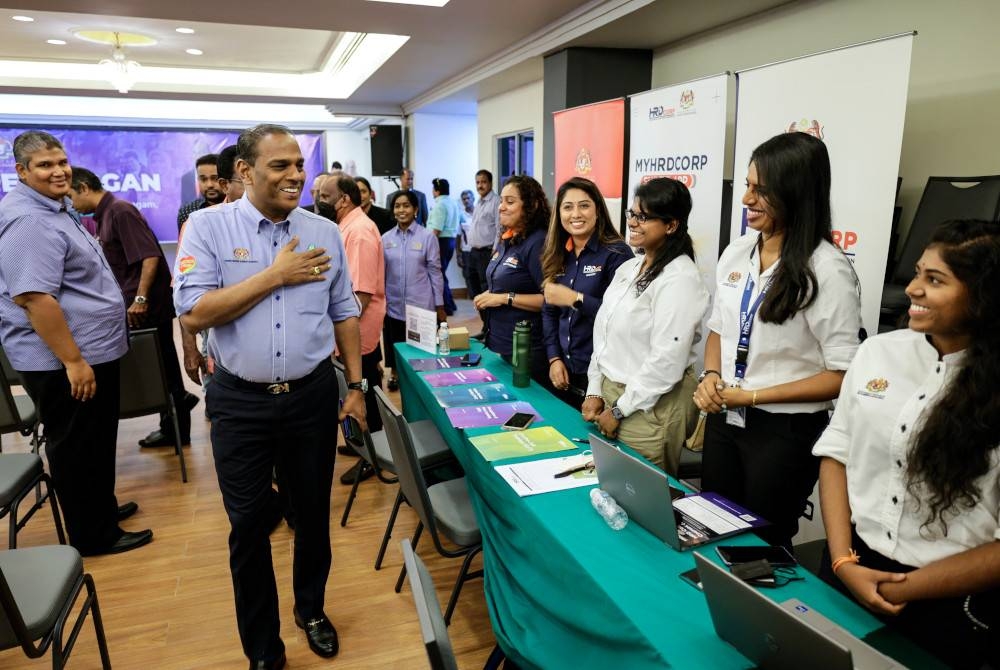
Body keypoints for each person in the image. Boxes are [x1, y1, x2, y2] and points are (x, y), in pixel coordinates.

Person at [173, 124, 366, 669]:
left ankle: (312, 611)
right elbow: (194, 312)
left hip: (310, 398)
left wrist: (355, 387)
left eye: (299, 165)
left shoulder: (322, 231)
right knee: (250, 525)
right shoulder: (208, 228)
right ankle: (263, 647)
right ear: (244, 170)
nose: (295, 176)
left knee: (312, 515)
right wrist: (274, 275)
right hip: (240, 403)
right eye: (280, 165)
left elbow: (344, 312)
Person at [813, 219, 1000, 669]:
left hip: (947, 604)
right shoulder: (879, 352)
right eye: (917, 273)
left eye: (935, 280)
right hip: (848, 565)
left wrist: (902, 589)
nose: (913, 289)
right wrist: (842, 562)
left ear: (984, 296)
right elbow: (836, 454)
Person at [694, 132, 863, 549]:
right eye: (749, 186)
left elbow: (842, 375)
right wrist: (712, 374)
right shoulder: (737, 252)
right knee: (712, 523)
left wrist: (752, 397)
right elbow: (719, 328)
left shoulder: (827, 270)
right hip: (725, 418)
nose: (747, 199)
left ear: (796, 192)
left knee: (762, 543)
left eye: (761, 191)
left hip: (783, 433)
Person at [0, 131, 152, 555]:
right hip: (64, 359)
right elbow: (34, 297)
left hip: (89, 351)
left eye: (61, 161)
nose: (58, 170)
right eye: (45, 165)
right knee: (76, 446)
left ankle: (99, 510)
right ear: (22, 172)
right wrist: (73, 361)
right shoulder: (28, 219)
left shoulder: (54, 208)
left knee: (95, 439)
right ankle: (92, 535)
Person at [581, 178, 706, 473]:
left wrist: (619, 409)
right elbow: (604, 333)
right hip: (614, 396)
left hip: (650, 407)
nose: (634, 223)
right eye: (632, 214)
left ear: (671, 225)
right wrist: (595, 388)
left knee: (640, 499)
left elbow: (666, 361)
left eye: (644, 217)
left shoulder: (680, 279)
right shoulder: (629, 267)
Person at [68, 167, 197, 449]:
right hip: (135, 305)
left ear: (83, 188)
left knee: (162, 367)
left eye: (70, 196)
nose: (70, 204)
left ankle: (178, 425)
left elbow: (149, 257)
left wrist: (140, 300)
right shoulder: (103, 216)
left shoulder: (120, 211)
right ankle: (173, 421)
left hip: (147, 306)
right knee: (160, 367)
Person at [315, 172, 386, 484]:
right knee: (352, 393)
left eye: (324, 195)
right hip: (344, 334)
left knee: (365, 393)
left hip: (358, 335)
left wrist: (339, 329)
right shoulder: (343, 227)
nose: (317, 200)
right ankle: (360, 445)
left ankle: (375, 456)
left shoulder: (358, 232)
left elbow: (361, 295)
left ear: (343, 199)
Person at [541, 177, 633, 410]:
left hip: (601, 377)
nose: (576, 214)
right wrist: (554, 358)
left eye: (584, 205)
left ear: (598, 210)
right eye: (568, 207)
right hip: (562, 370)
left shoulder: (616, 253)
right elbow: (549, 312)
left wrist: (575, 299)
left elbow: (624, 318)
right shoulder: (557, 253)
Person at [473, 175, 549, 387]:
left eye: (510, 201)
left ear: (531, 205)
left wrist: (504, 298)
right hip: (503, 344)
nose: (501, 207)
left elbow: (550, 300)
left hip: (528, 351)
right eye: (501, 201)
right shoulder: (509, 238)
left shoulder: (538, 243)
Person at [382, 190, 446, 391]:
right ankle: (395, 374)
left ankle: (422, 384)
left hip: (420, 305)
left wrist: (440, 304)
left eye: (406, 205)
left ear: (415, 210)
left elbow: (435, 272)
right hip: (393, 306)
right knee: (397, 345)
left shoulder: (427, 237)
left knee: (421, 353)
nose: (402, 210)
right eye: (397, 206)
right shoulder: (385, 239)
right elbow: (381, 273)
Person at [463, 170, 500, 327]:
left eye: (483, 182)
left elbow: (500, 228)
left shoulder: (496, 201)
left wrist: (496, 249)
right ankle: (485, 324)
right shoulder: (479, 201)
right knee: (474, 288)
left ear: (490, 183)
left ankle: (491, 327)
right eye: (478, 182)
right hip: (473, 252)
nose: (480, 185)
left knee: (486, 289)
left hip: (487, 252)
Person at [426, 177, 462, 315]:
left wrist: (427, 246)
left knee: (438, 275)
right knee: (441, 274)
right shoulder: (452, 203)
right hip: (450, 241)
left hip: (440, 241)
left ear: (436, 190)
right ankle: (450, 304)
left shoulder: (440, 205)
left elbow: (436, 229)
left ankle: (446, 306)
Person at [176, 153, 223, 231]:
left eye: (215, 178)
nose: (209, 185)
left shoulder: (239, 208)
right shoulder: (187, 212)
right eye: (203, 179)